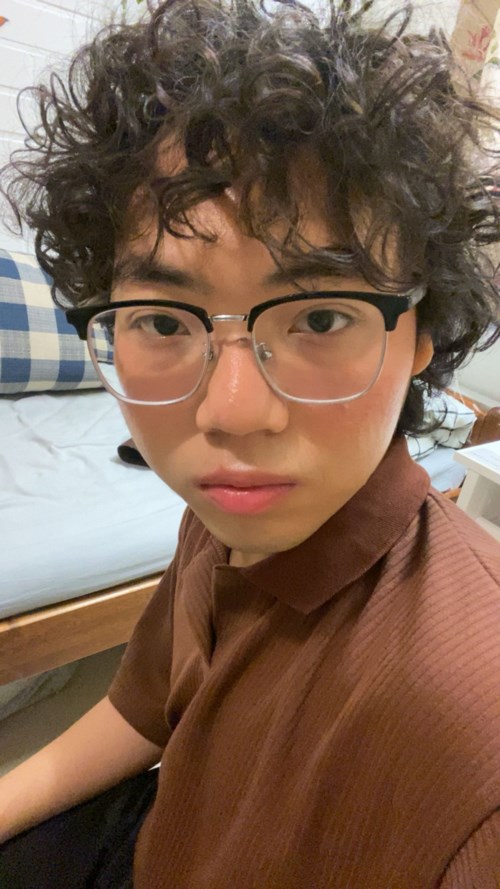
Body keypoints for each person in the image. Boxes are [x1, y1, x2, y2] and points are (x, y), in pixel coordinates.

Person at [1, 1, 499, 886]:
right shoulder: (226, 511)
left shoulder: (471, 747)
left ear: (422, 334)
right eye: (163, 320)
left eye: (320, 317)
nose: (229, 414)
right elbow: (145, 708)